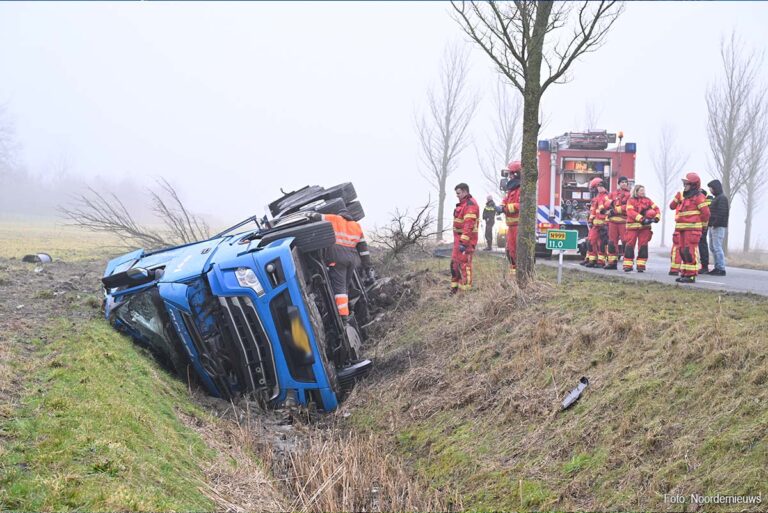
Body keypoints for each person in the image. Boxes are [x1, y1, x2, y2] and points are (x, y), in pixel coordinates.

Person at [321, 209, 375, 321]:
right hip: (351, 260)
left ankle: (343, 317)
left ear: (340, 215)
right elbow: (363, 250)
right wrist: (368, 267)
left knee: (339, 288)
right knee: (344, 286)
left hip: (337, 258)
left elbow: (316, 216)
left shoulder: (334, 218)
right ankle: (348, 309)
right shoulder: (356, 226)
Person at [668, 172, 710, 283]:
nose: (684, 186)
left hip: (692, 229)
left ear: (693, 185)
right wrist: (677, 198)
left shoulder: (699, 197)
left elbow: (706, 213)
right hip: (682, 229)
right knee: (683, 251)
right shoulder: (685, 196)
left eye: (686, 184)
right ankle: (685, 273)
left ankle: (691, 275)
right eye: (684, 184)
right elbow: (672, 206)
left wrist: (703, 226)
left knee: (690, 251)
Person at [623, 185, 660, 272]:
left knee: (643, 245)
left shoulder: (648, 200)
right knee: (630, 245)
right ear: (636, 191)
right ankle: (628, 265)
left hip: (645, 228)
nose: (643, 192)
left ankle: (641, 265)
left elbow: (656, 209)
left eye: (644, 190)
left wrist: (656, 218)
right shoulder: (631, 201)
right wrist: (642, 219)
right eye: (641, 190)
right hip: (633, 227)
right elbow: (630, 212)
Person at [450, 183, 480, 293]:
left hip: (465, 241)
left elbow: (469, 225)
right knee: (454, 264)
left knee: (464, 265)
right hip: (459, 240)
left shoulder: (470, 205)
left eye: (458, 193)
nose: (457, 196)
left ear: (465, 192)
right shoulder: (463, 204)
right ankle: (454, 290)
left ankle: (465, 292)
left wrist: (463, 242)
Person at [606, 175, 631, 269]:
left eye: (625, 182)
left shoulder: (630, 195)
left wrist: (615, 210)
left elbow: (629, 207)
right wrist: (610, 204)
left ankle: (627, 264)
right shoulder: (613, 194)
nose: (624, 184)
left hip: (624, 221)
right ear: (619, 183)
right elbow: (606, 203)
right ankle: (612, 263)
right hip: (612, 222)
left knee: (625, 242)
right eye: (622, 182)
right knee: (612, 242)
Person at [585, 178, 611, 268]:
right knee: (591, 241)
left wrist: (606, 224)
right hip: (596, 224)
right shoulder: (597, 197)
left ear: (605, 187)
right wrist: (590, 221)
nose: (599, 189)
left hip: (603, 225)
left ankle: (601, 262)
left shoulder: (607, 197)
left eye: (601, 187)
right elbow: (593, 211)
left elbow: (608, 211)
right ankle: (592, 260)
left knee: (602, 244)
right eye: (598, 187)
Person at [501, 161, 521, 273]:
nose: (509, 177)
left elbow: (520, 205)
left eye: (511, 174)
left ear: (516, 174)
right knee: (510, 252)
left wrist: (505, 209)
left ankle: (519, 277)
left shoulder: (521, 189)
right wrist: (500, 207)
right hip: (511, 226)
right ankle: (513, 277)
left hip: (518, 227)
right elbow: (504, 201)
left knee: (516, 253)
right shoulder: (511, 190)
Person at [707, 179, 729, 276]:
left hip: (718, 227)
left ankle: (721, 268)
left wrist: (715, 224)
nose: (710, 190)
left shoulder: (722, 198)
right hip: (712, 226)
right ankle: (717, 267)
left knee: (717, 247)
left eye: (711, 188)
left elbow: (722, 213)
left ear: (715, 188)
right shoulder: (716, 198)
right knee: (712, 247)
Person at [698, 187, 714, 273]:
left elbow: (706, 213)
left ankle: (704, 266)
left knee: (702, 244)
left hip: (703, 225)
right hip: (702, 225)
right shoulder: (708, 198)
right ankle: (704, 265)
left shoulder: (706, 199)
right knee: (702, 244)